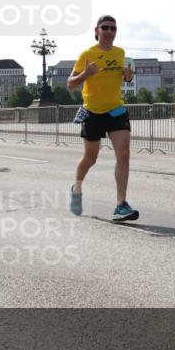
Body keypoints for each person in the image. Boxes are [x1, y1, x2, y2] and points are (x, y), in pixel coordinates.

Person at [66, 15, 139, 222]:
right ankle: (77, 188)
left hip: (116, 110)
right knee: (91, 158)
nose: (109, 31)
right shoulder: (87, 54)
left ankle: (121, 205)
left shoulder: (120, 53)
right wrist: (85, 74)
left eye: (113, 28)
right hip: (93, 112)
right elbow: (70, 84)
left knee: (123, 154)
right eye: (105, 27)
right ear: (96, 31)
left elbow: (125, 77)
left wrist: (129, 76)